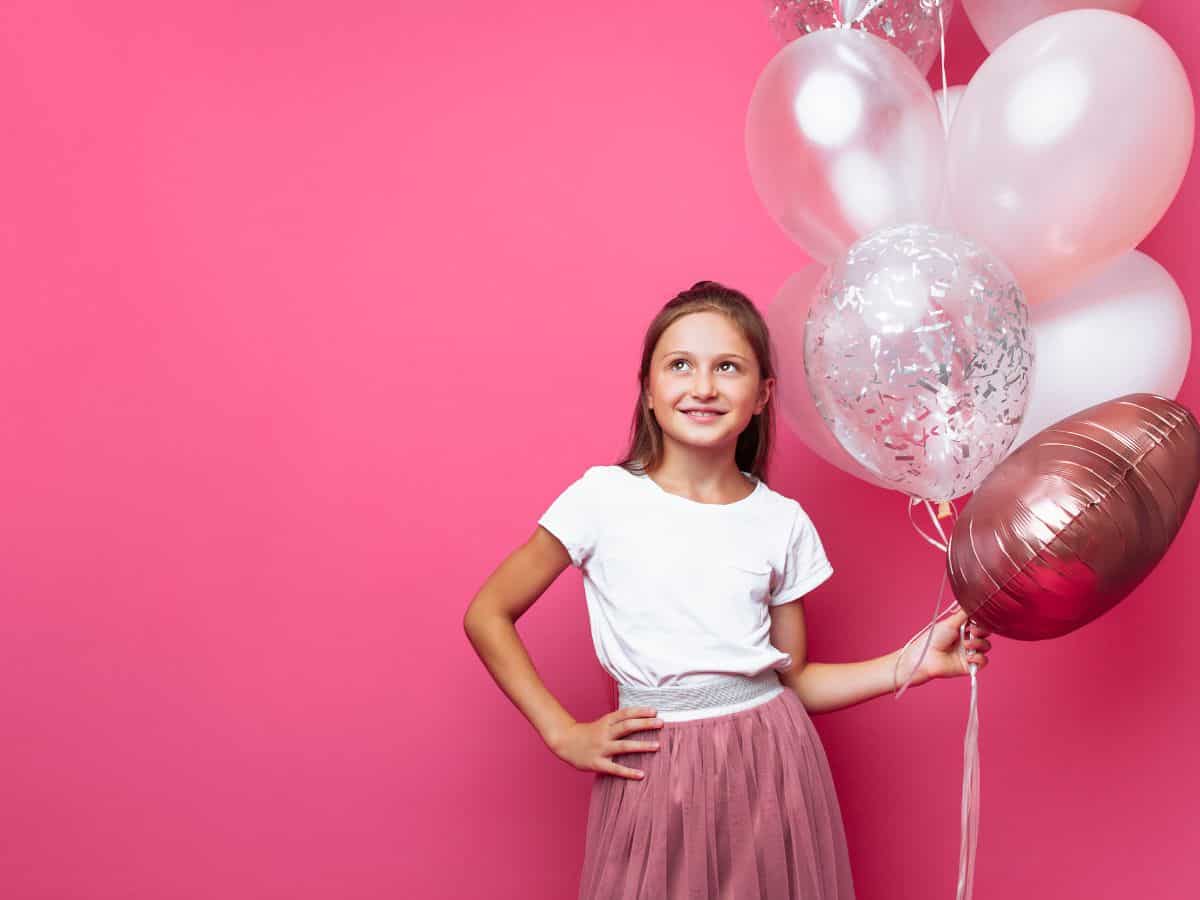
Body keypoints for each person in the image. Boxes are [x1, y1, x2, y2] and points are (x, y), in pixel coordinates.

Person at [463, 280, 992, 899]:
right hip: (654, 762)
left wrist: (913, 660)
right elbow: (488, 613)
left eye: (728, 367)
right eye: (680, 365)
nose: (703, 386)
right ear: (650, 390)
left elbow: (793, 679)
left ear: (763, 395)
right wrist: (561, 732)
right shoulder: (602, 499)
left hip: (772, 763)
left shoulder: (781, 521)